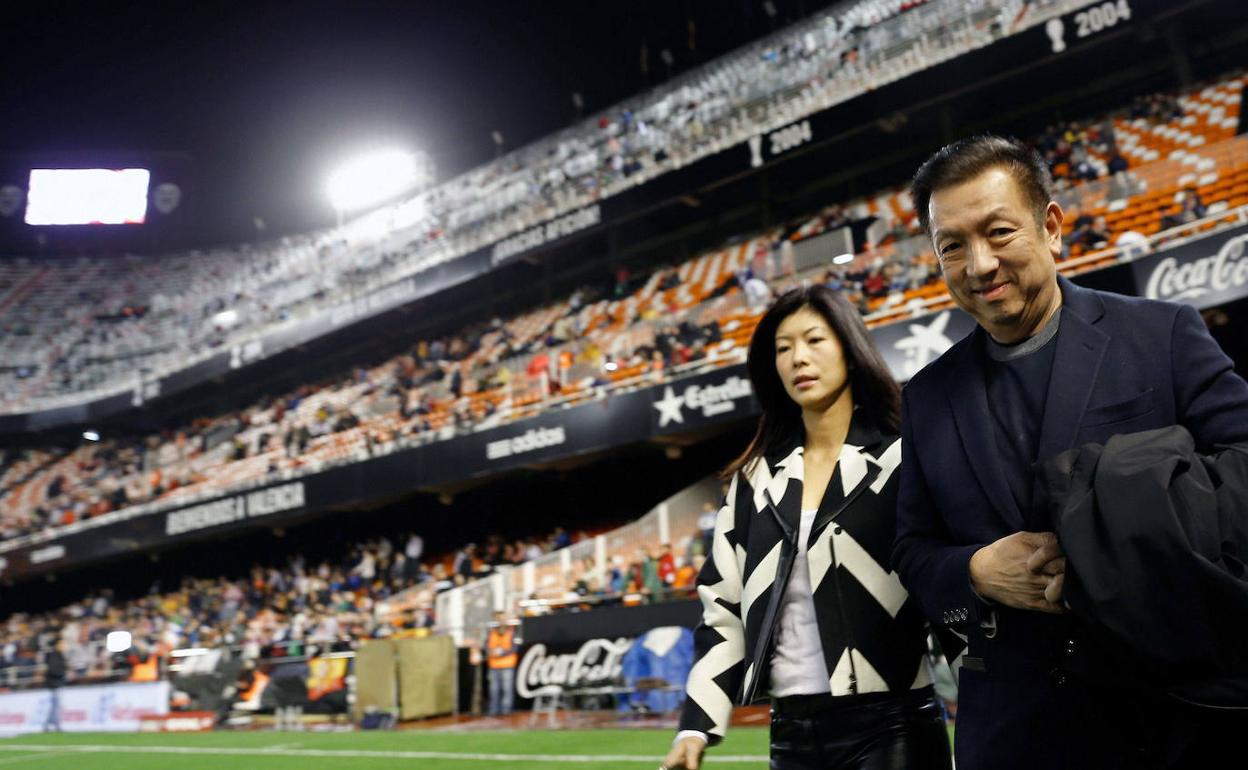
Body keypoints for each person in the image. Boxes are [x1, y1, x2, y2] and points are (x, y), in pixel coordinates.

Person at [893, 134, 1248, 770]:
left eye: (999, 232)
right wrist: (973, 572)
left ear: (1051, 226)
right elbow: (913, 552)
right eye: (953, 246)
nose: (979, 264)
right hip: (1007, 736)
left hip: (1173, 724)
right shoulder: (925, 397)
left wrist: (1107, 535)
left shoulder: (1162, 334)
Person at [664, 285, 951, 770]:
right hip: (791, 733)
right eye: (783, 347)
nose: (799, 357)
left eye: (814, 340)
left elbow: (950, 585)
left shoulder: (901, 459)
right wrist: (696, 727)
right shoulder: (753, 481)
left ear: (850, 349)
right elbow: (722, 613)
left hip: (893, 726)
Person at [485, 611, 520, 717]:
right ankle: (493, 711)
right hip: (494, 665)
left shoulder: (512, 632)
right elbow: (486, 646)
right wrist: (491, 651)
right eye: (499, 619)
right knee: (494, 690)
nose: (501, 621)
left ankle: (506, 711)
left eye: (503, 618)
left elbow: (515, 648)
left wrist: (502, 652)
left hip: (507, 664)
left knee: (507, 689)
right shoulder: (491, 632)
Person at [42, 639, 68, 733]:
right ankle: (53, 725)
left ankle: (50, 725)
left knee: (55, 705)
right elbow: (53, 670)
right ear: (57, 645)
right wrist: (63, 674)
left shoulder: (59, 655)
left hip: (56, 683)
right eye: (62, 644)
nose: (64, 646)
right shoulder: (54, 655)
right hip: (54, 684)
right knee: (56, 705)